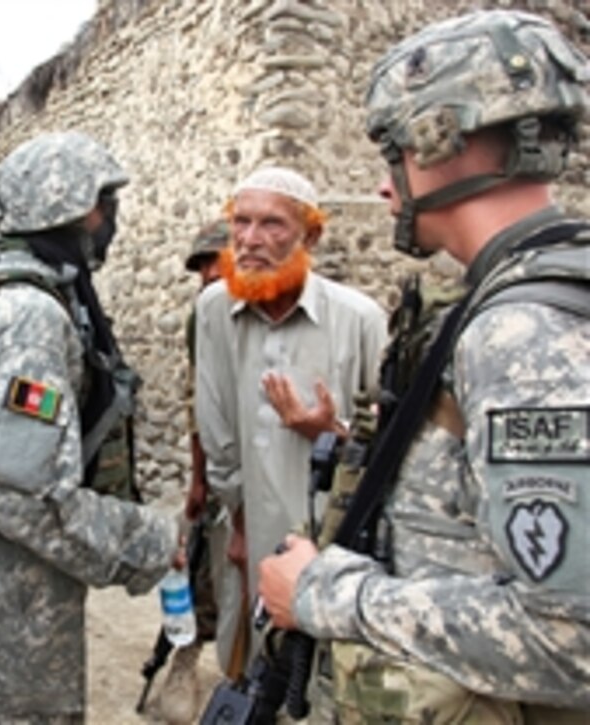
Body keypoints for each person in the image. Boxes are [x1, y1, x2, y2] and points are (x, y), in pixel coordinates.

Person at [258, 9, 589, 720]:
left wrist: (323, 592)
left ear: (440, 138)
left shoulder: (523, 330)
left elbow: (570, 634)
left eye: (393, 152)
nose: (385, 186)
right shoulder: (505, 297)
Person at [0, 130, 178, 722]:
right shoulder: (30, 316)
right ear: (75, 209)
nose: (109, 219)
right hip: (18, 591)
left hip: (15, 580)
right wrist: (145, 539)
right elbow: (15, 494)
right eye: (104, 203)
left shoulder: (21, 290)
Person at [194, 166, 388, 666]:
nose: (250, 240)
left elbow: (389, 447)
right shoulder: (214, 310)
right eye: (242, 222)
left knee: (318, 672)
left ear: (311, 234)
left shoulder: (359, 318)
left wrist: (331, 433)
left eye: (272, 225)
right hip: (246, 527)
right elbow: (216, 431)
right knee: (249, 663)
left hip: (331, 538)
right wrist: (236, 525)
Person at [158, 220, 232, 724]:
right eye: (201, 264)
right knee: (198, 562)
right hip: (220, 462)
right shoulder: (201, 318)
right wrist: (199, 478)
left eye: (215, 260)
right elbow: (196, 400)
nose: (207, 273)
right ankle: (183, 662)